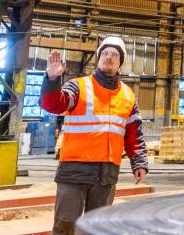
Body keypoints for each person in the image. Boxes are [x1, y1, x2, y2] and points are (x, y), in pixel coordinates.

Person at [40, 36, 148, 235]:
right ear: (98, 58)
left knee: (98, 228)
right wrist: (52, 80)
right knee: (65, 226)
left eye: (114, 54)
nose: (109, 57)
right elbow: (54, 105)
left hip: (106, 174)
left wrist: (139, 162)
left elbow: (134, 133)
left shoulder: (128, 96)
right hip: (74, 171)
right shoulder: (78, 86)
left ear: (120, 62)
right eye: (105, 53)